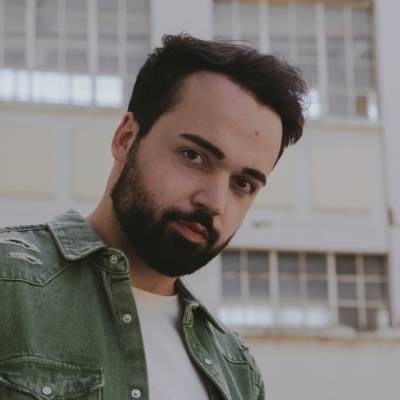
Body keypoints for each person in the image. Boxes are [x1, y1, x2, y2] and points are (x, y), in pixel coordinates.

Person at [0, 34, 306, 400]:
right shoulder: (9, 283)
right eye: (194, 156)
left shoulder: (236, 369)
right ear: (126, 138)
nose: (214, 202)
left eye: (243, 183)